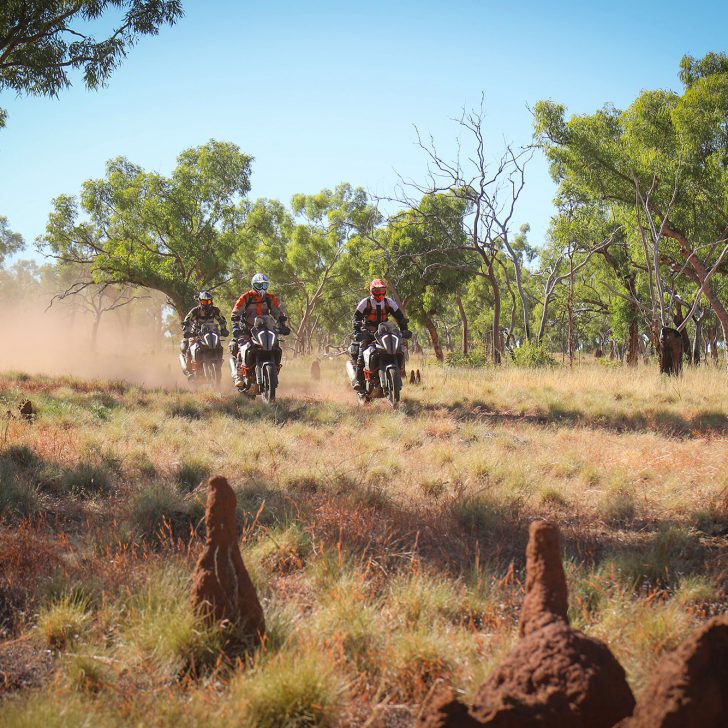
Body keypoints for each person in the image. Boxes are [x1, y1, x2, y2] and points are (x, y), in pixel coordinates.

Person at [350, 278, 411, 394]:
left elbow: (400, 317)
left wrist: (404, 329)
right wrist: (357, 332)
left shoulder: (388, 302)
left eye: (382, 290)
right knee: (362, 353)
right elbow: (356, 319)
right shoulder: (365, 302)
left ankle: (397, 372)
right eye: (377, 291)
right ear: (371, 291)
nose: (380, 293)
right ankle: (359, 381)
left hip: (384, 331)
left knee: (397, 349)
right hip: (368, 331)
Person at [229, 273, 290, 387]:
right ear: (253, 285)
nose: (262, 288)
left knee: (276, 346)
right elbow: (235, 313)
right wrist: (236, 326)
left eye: (264, 285)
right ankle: (238, 375)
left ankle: (275, 368)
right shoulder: (246, 297)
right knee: (242, 346)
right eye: (259, 285)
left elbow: (277, 311)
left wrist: (282, 324)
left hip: (266, 328)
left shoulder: (269, 297)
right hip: (248, 329)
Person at [180, 290, 228, 376]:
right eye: (204, 302)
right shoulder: (195, 311)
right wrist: (186, 331)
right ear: (200, 301)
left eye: (208, 301)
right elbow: (187, 320)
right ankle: (189, 370)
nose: (206, 304)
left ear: (211, 301)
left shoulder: (215, 310)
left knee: (219, 346)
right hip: (197, 334)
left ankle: (219, 361)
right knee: (189, 348)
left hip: (212, 334)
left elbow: (222, 320)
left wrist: (224, 329)